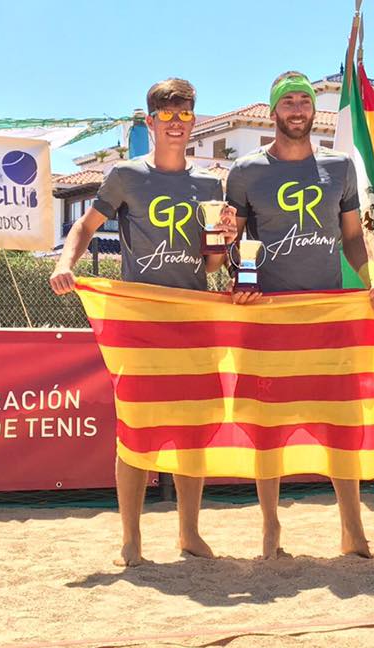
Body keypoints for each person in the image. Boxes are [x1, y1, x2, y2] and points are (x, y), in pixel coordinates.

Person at [50, 78, 236, 566]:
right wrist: (65, 264)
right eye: (166, 115)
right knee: (136, 429)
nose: (176, 123)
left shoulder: (209, 185)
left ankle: (189, 534)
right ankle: (130, 540)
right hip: (141, 323)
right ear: (152, 122)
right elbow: (84, 226)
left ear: (193, 121)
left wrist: (224, 240)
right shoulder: (125, 176)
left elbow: (210, 266)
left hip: (194, 320)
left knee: (194, 430)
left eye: (184, 114)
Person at [225, 70, 374, 560]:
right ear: (273, 111)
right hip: (268, 317)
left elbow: (354, 237)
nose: (297, 110)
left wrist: (373, 279)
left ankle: (352, 529)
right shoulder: (245, 172)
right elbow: (231, 242)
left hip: (326, 316)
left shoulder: (340, 168)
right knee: (268, 426)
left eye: (304, 101)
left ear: (313, 109)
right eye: (288, 102)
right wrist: (240, 279)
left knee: (341, 422)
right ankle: (271, 529)